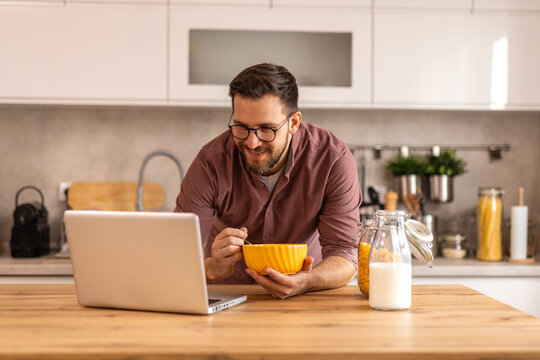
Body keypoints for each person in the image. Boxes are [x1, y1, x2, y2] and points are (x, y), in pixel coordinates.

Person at [175, 63, 362, 299]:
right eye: (241, 127)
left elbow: (345, 256)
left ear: (293, 123)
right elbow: (175, 261)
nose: (252, 143)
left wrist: (308, 280)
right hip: (230, 296)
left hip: (307, 296)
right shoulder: (211, 162)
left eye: (266, 129)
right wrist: (212, 268)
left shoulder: (332, 158)